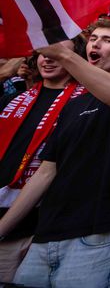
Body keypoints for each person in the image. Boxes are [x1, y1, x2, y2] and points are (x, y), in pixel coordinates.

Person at [0, 18, 110, 288]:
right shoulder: (73, 102)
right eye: (93, 39)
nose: (96, 43)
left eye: (107, 40)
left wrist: (62, 53)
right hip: (47, 233)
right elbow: (47, 172)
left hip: (96, 233)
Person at [0, 37, 85, 283]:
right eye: (43, 53)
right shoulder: (14, 99)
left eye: (57, 53)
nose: (47, 58)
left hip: (46, 227)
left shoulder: (85, 104)